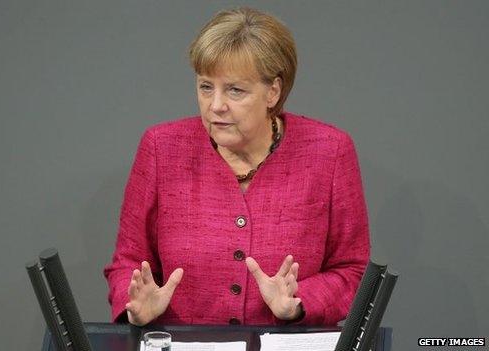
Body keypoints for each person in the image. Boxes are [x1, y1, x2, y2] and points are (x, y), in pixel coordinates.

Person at [103, 7, 370, 327]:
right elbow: (127, 263)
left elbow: (352, 269)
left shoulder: (329, 152)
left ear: (273, 91)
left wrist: (300, 303)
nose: (215, 105)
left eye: (235, 90)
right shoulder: (161, 148)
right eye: (205, 87)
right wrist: (135, 306)